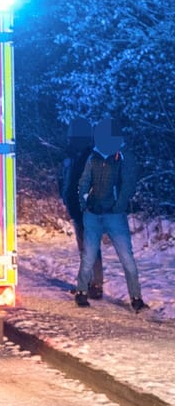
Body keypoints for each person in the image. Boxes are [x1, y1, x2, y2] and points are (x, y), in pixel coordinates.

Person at [74, 120, 145, 312]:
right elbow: (84, 181)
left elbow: (128, 185)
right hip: (93, 215)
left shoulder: (124, 157)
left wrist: (118, 206)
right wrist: (84, 204)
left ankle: (136, 298)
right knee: (88, 256)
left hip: (115, 216)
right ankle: (81, 292)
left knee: (126, 257)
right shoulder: (93, 157)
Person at [60, 119, 104, 300]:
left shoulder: (87, 158)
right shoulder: (80, 156)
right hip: (81, 209)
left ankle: (92, 285)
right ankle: (91, 284)